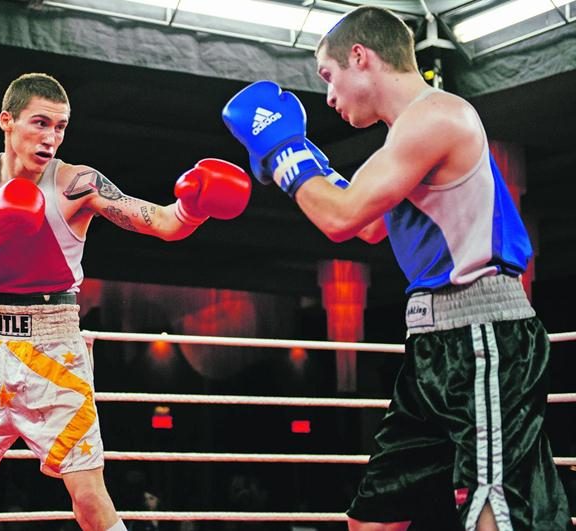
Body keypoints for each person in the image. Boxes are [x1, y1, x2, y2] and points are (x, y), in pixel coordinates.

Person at [221, 6, 572, 531]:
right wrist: (298, 155)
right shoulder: (405, 137)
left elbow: (339, 218)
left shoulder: (435, 117)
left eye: (329, 76)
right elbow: (367, 224)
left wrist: (283, 148)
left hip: (483, 337)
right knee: (375, 518)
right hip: (434, 347)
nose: (330, 96)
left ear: (360, 56)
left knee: (493, 511)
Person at [0, 72, 252, 531]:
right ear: (7, 121)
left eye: (60, 127)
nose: (51, 138)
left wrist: (193, 208)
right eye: (40, 124)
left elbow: (162, 223)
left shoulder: (77, 184)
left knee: (90, 504)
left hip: (54, 350)